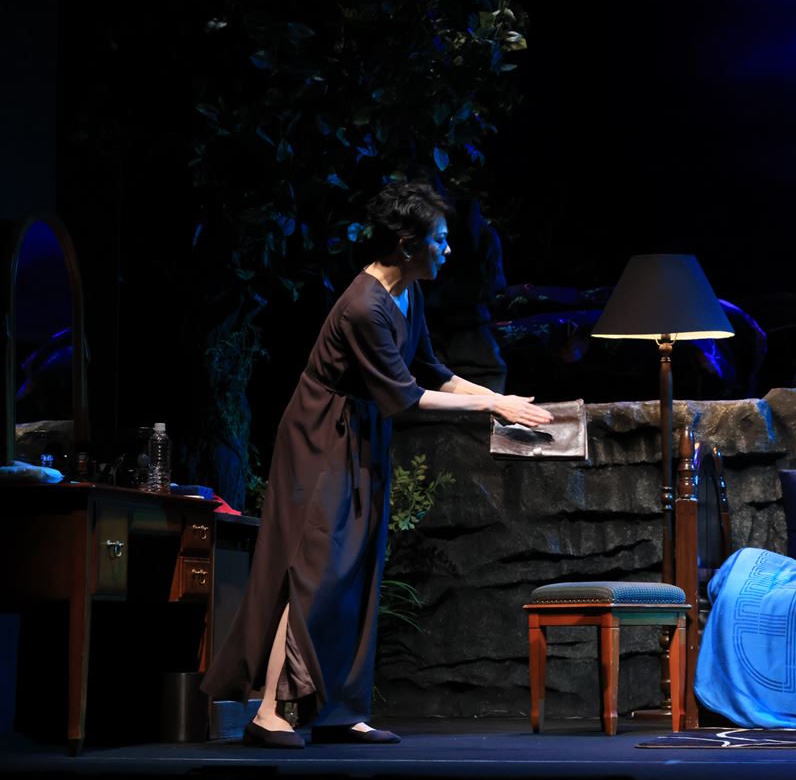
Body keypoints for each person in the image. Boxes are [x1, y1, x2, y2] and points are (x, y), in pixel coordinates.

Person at [200, 180, 552, 748]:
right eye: (439, 239)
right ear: (408, 245)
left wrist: (498, 399)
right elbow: (405, 397)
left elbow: (431, 370)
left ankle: (337, 710)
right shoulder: (364, 306)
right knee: (316, 569)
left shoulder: (408, 293)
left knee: (358, 567)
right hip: (321, 437)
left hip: (362, 433)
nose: (448, 249)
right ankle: (269, 711)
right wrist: (492, 405)